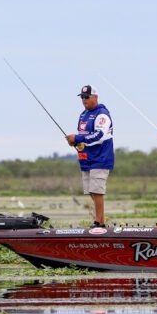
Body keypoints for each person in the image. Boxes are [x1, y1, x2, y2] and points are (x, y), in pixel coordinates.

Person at [66, 85, 114, 228]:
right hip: (86, 159)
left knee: (97, 190)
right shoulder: (83, 115)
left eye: (86, 97)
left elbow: (99, 136)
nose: (84, 100)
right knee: (91, 192)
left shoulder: (102, 114)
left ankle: (99, 223)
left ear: (95, 97)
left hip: (100, 158)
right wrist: (73, 141)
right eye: (82, 97)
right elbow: (83, 136)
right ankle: (98, 220)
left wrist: (79, 138)